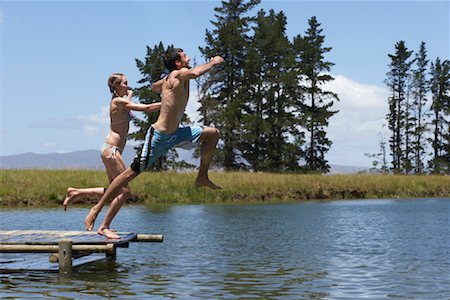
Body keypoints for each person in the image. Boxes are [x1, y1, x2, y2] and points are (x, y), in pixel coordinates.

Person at [85, 48, 224, 239]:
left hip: (177, 132)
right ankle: (98, 213)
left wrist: (163, 88)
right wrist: (214, 62)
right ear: (177, 63)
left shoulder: (172, 78)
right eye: (185, 56)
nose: (189, 58)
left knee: (213, 134)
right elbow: (195, 73)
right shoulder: (179, 74)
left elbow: (155, 86)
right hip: (159, 137)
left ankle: (202, 177)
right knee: (128, 176)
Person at [63, 73, 161, 230]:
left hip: (111, 151)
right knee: (125, 191)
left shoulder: (121, 101)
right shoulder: (117, 101)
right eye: (125, 83)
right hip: (111, 150)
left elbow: (127, 106)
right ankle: (105, 226)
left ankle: (76, 193)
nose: (128, 86)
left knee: (113, 191)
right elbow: (147, 108)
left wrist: (130, 95)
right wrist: (168, 104)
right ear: (115, 86)